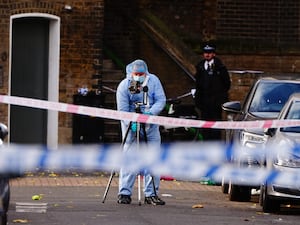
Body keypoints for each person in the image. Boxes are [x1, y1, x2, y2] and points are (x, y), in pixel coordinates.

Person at [116, 59, 166, 205]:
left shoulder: (153, 81)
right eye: (136, 74)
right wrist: (130, 123)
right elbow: (123, 110)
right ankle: (124, 193)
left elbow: (161, 100)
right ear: (131, 74)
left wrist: (150, 113)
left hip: (151, 125)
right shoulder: (125, 86)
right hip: (132, 125)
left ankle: (151, 193)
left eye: (141, 74)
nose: (138, 76)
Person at [194, 44, 231, 140]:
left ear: (213, 54)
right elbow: (198, 85)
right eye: (205, 52)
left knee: (215, 127)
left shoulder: (220, 67)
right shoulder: (200, 67)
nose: (207, 55)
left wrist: (220, 98)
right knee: (205, 127)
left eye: (209, 53)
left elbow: (226, 84)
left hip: (215, 103)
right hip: (204, 103)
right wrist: (198, 101)